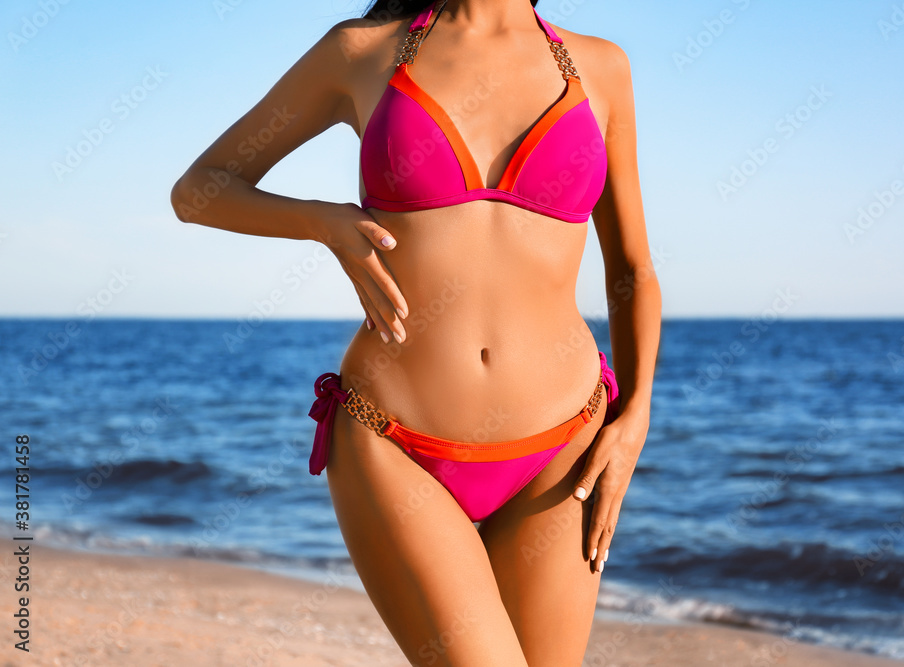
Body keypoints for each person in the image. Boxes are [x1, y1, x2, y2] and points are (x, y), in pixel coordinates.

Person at [170, 0, 660, 664]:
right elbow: (199, 187)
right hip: (394, 442)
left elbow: (631, 268)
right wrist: (322, 222)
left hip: (564, 447)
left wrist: (635, 420)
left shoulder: (600, 67)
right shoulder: (362, 51)